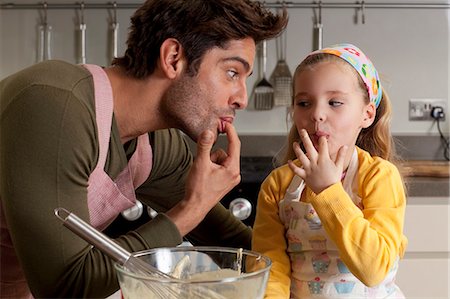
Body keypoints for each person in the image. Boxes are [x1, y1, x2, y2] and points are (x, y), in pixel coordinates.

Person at [0, 0, 288, 297]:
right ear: (174, 58)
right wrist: (190, 210)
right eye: (232, 73)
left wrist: (316, 250)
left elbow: (234, 243)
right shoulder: (53, 104)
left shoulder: (154, 145)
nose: (242, 98)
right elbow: (66, 286)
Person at [252, 43, 408, 299]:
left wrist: (328, 190)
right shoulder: (277, 185)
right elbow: (271, 268)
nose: (317, 114)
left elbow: (374, 269)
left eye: (335, 102)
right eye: (304, 103)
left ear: (367, 114)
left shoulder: (379, 177)